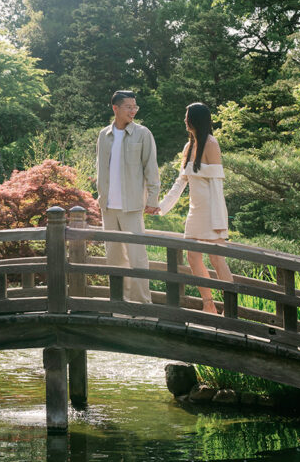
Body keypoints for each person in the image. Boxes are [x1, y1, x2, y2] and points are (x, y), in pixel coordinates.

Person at [157, 102, 234, 315]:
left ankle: (230, 307)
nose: (184, 120)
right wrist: (161, 207)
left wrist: (220, 222)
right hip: (195, 210)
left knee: (217, 259)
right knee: (192, 256)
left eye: (187, 116)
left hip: (212, 210)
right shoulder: (188, 146)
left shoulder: (211, 143)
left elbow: (217, 187)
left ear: (196, 119)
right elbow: (180, 183)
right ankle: (208, 303)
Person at [95, 90, 161, 304]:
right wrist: (100, 198)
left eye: (135, 107)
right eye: (128, 107)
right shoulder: (104, 136)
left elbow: (151, 168)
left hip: (132, 206)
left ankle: (142, 305)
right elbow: (100, 169)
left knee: (137, 258)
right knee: (114, 259)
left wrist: (152, 200)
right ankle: (120, 304)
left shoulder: (143, 134)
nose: (133, 111)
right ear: (115, 108)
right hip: (108, 207)